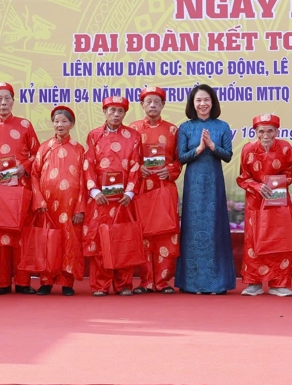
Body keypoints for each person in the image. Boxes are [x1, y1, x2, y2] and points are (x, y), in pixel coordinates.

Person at [0, 82, 42, 295]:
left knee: (21, 235)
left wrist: (24, 167)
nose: (3, 102)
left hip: (20, 186)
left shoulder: (25, 125)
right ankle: (3, 282)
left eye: (7, 98)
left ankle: (23, 282)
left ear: (13, 101)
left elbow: (37, 153)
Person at [175, 84, 235, 294]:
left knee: (215, 228)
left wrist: (212, 146)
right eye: (199, 100)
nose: (203, 104)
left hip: (214, 184)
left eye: (206, 100)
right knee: (192, 229)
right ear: (193, 103)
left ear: (213, 103)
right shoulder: (185, 128)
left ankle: (217, 283)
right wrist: (198, 149)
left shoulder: (222, 126)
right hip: (193, 185)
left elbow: (228, 155)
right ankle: (192, 283)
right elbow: (180, 158)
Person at [83, 96, 143, 296]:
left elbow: (136, 165)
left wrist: (130, 191)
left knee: (123, 238)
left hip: (123, 200)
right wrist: (94, 190)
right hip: (101, 199)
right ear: (104, 112)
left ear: (125, 114)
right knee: (101, 241)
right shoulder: (94, 136)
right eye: (112, 110)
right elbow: (88, 164)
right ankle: (100, 285)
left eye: (120, 111)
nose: (115, 114)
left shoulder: (133, 136)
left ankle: (124, 284)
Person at [128, 86, 182, 294]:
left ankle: (162, 281)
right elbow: (128, 158)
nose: (152, 105)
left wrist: (169, 170)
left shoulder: (172, 130)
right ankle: (145, 281)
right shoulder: (132, 129)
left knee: (166, 233)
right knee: (142, 234)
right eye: (148, 101)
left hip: (164, 186)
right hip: (141, 187)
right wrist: (137, 167)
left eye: (157, 102)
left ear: (163, 105)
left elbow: (179, 161)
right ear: (142, 105)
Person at [236, 114, 292, 297]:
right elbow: (242, 178)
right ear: (255, 132)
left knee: (279, 239)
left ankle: (279, 283)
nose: (266, 135)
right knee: (254, 240)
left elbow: (290, 174)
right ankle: (254, 282)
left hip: (278, 201)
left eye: (270, 131)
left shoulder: (285, 148)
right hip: (255, 201)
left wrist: (276, 182)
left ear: (277, 131)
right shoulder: (247, 149)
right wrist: (256, 186)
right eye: (261, 131)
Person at [30, 106, 86, 296]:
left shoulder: (79, 149)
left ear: (71, 124)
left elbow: (83, 180)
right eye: (56, 121)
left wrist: (80, 208)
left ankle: (66, 283)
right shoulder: (44, 147)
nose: (60, 124)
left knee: (69, 242)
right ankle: (46, 281)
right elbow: (34, 175)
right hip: (47, 206)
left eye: (64, 121)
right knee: (48, 241)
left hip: (70, 207)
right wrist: (38, 200)